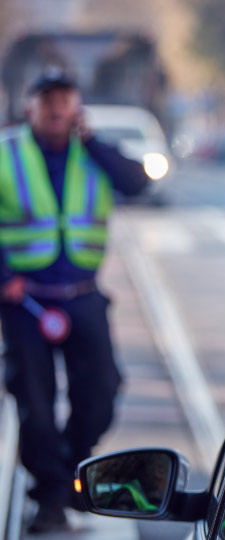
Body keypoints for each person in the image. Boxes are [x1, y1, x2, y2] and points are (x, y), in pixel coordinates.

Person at [0, 68, 150, 533]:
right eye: (47, 99)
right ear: (31, 108)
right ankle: (49, 499)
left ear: (76, 106)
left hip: (83, 298)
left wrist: (96, 143)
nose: (55, 108)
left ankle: (66, 473)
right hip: (27, 303)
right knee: (36, 407)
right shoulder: (7, 154)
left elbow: (139, 183)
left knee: (101, 395)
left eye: (64, 99)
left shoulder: (95, 153)